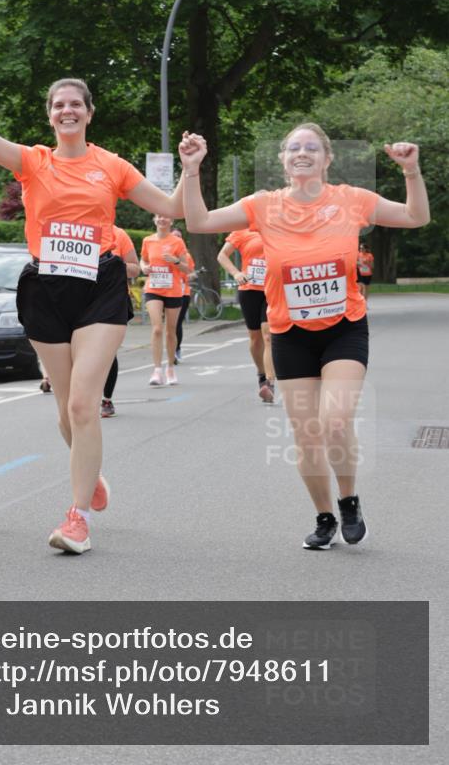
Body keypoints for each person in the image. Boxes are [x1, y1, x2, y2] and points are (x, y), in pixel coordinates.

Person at [180, 123, 429, 550]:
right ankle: (324, 516)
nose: (302, 153)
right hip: (290, 333)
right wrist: (190, 170)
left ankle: (349, 500)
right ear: (282, 159)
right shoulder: (263, 205)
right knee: (306, 435)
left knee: (335, 421)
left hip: (343, 329)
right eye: (293, 147)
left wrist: (410, 171)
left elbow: (415, 216)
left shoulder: (351, 199)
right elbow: (199, 222)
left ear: (327, 159)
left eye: (311, 148)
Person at [0, 77, 185, 554]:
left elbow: (173, 206)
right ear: (50, 114)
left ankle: (78, 520)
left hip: (99, 287)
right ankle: (90, 476)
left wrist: (189, 169)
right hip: (45, 288)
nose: (66, 110)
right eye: (58, 104)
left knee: (81, 406)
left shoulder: (111, 165)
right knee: (65, 410)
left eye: (75, 104)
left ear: (89, 113)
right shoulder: (33, 161)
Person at [218, 229, 276, 403]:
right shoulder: (242, 231)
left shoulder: (277, 227)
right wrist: (236, 273)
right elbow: (222, 255)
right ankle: (262, 374)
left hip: (273, 290)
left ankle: (270, 384)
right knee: (255, 338)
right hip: (250, 290)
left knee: (268, 336)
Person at [140, 216, 190, 387]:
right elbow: (144, 259)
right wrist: (143, 267)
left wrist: (175, 261)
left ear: (171, 221)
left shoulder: (177, 242)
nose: (162, 219)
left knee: (170, 331)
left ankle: (170, 367)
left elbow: (187, 268)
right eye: (159, 216)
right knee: (157, 329)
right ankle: (157, 370)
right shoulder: (148, 240)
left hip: (172, 289)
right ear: (154, 220)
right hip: (153, 288)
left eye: (166, 217)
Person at [101, 225, 140, 418]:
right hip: (81, 299)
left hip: (113, 300)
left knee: (107, 350)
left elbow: (135, 269)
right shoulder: (75, 230)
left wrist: (114, 266)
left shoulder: (118, 234)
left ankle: (106, 399)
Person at [171, 227, 194, 363]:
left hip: (182, 293)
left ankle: (176, 349)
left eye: (179, 236)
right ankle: (171, 349)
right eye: (174, 236)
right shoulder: (163, 253)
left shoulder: (186, 256)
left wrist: (189, 275)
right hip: (166, 291)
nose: (176, 239)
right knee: (169, 324)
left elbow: (190, 272)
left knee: (177, 323)